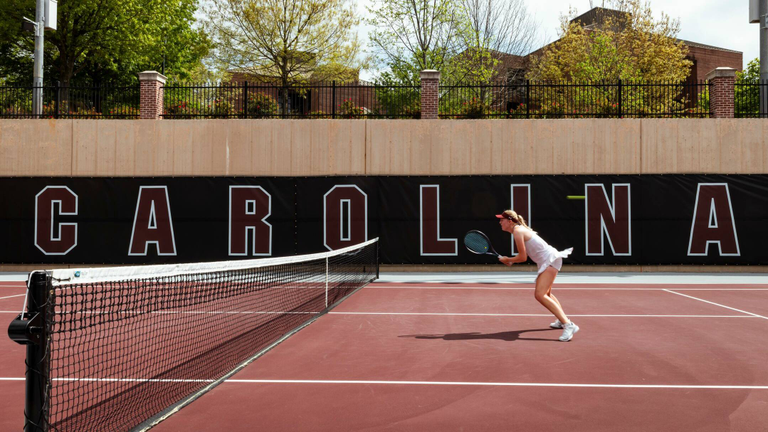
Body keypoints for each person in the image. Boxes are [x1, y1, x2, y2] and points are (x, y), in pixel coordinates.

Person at [495, 210, 579, 342]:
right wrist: (510, 260)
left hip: (550, 259)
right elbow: (522, 257)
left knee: (540, 295)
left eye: (502, 220)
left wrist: (508, 259)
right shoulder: (518, 230)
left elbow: (523, 257)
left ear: (510, 221)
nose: (500, 222)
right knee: (547, 294)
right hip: (547, 260)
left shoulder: (518, 231)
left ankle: (569, 325)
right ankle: (561, 320)